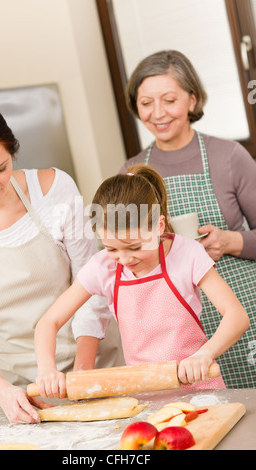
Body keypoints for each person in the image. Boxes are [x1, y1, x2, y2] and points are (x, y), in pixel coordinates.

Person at [0, 99, 124, 423]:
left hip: (92, 368)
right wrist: (5, 393)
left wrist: (82, 375)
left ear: (13, 154)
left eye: (0, 168)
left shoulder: (54, 190)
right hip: (16, 389)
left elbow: (93, 286)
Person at [34, 164, 250, 398]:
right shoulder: (103, 266)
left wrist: (203, 355)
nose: (124, 258)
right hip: (146, 396)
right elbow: (48, 322)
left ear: (158, 226)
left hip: (200, 390)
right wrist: (47, 370)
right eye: (111, 248)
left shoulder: (187, 253)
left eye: (135, 247)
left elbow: (236, 316)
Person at [120, 50, 256, 388]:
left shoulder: (229, 157)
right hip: (178, 327)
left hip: (242, 312)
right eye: (146, 102)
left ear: (192, 100)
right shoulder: (132, 172)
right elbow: (122, 254)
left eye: (169, 100)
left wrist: (230, 241)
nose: (158, 113)